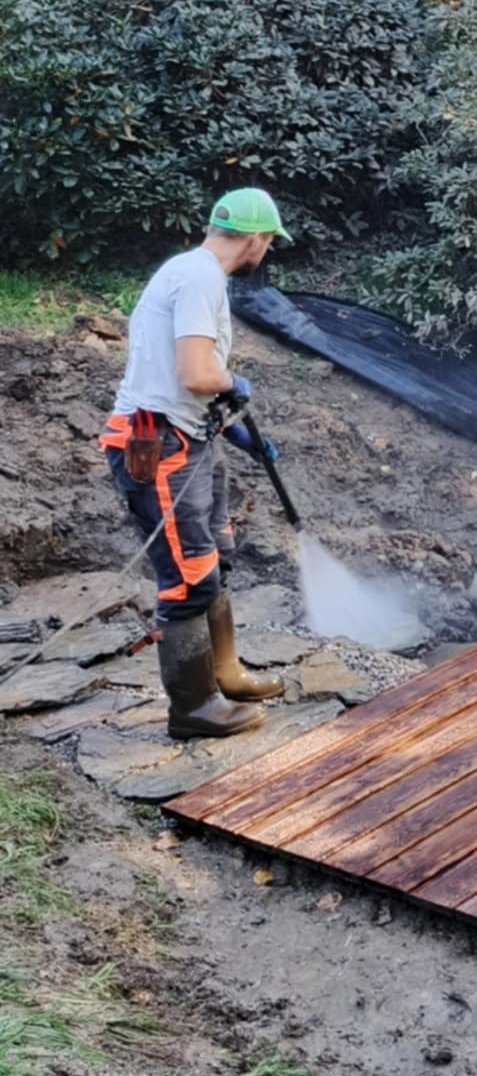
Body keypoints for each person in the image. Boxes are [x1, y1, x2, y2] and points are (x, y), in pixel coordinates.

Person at [101, 188, 292, 739]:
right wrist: (234, 381)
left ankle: (224, 673)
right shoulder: (202, 277)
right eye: (270, 243)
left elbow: (178, 382)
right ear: (256, 238)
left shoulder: (195, 273)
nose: (267, 251)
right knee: (187, 579)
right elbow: (195, 374)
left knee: (215, 559)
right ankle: (192, 708)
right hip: (158, 448)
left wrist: (235, 432)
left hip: (190, 438)